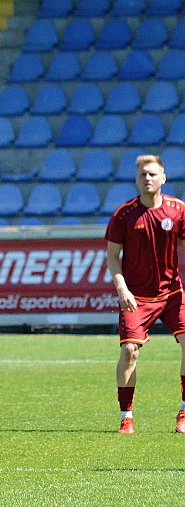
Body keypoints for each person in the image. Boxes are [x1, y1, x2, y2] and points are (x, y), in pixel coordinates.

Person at [106, 154, 185, 435]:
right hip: (136, 296)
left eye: (153, 174)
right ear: (136, 179)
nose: (148, 178)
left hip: (172, 292)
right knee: (129, 351)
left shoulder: (178, 210)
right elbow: (112, 256)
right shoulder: (123, 215)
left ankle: (184, 411)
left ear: (163, 178)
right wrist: (122, 288)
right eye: (143, 174)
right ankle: (126, 417)